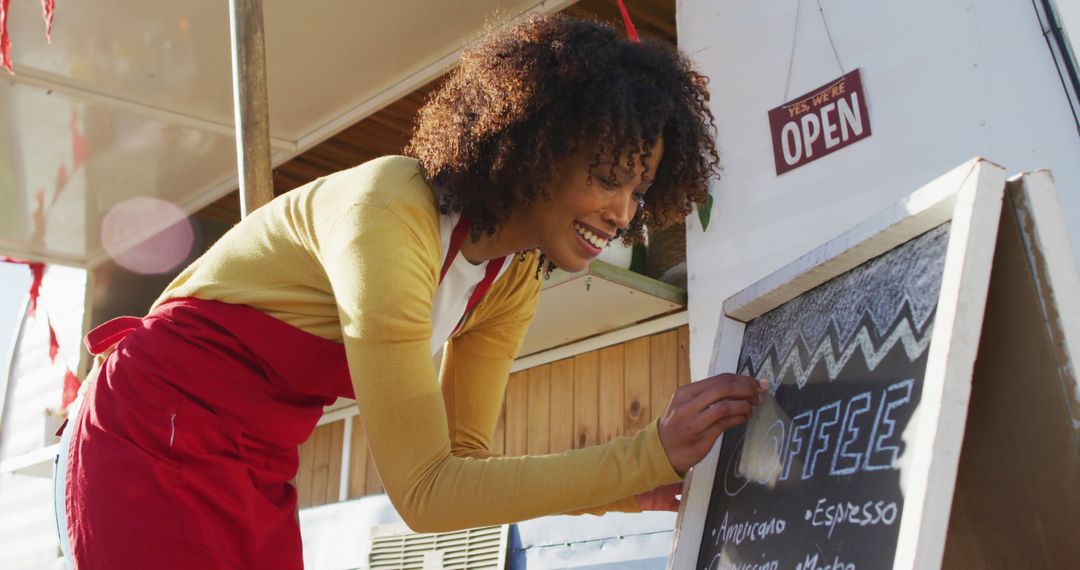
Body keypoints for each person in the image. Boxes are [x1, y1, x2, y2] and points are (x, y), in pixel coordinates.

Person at [54, 13, 765, 569]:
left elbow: (466, 466)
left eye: (639, 191)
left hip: (257, 460)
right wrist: (646, 452)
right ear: (536, 147)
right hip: (150, 432)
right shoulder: (388, 213)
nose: (623, 213)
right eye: (608, 178)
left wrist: (623, 490)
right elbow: (426, 492)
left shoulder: (512, 276)